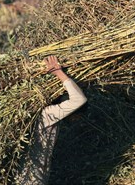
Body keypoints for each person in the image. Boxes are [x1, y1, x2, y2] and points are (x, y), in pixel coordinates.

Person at [16, 56, 87, 184]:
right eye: (78, 115)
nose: (77, 120)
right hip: (30, 179)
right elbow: (79, 99)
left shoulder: (47, 115)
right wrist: (58, 72)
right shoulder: (47, 114)